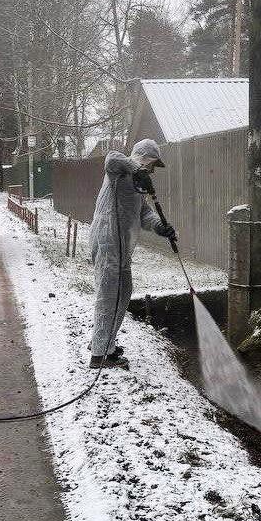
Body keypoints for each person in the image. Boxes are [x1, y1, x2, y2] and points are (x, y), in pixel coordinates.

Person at [89, 138, 176, 369]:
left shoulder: (137, 187)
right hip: (108, 240)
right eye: (151, 165)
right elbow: (112, 158)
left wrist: (160, 226)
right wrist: (137, 169)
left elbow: (144, 213)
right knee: (109, 296)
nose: (151, 171)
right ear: (142, 159)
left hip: (123, 245)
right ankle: (99, 356)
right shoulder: (118, 171)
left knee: (124, 291)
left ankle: (105, 342)